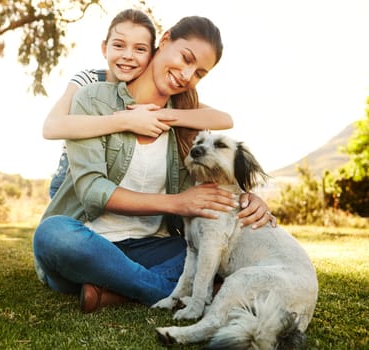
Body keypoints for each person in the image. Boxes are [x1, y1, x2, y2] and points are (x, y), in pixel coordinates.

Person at [34, 15, 275, 314]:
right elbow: (92, 191)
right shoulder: (92, 99)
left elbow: (214, 182)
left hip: (154, 247)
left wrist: (250, 199)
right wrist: (177, 203)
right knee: (52, 235)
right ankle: (174, 292)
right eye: (185, 58)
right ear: (165, 40)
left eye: (199, 73)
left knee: (220, 246)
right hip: (90, 241)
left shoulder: (189, 122)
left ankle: (117, 291)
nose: (187, 75)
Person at [43, 9, 234, 198]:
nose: (128, 56)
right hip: (71, 177)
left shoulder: (166, 94)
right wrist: (127, 121)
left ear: (150, 52)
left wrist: (160, 115)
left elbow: (224, 119)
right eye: (118, 46)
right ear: (104, 48)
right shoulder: (92, 81)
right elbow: (52, 127)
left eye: (140, 49)